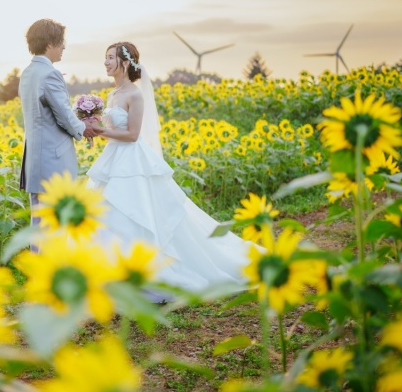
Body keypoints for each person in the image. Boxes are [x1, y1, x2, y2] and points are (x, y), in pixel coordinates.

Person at [87, 42, 254, 293]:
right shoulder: (112, 94)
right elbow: (113, 133)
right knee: (108, 213)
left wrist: (102, 131)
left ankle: (151, 272)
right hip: (113, 159)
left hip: (132, 160)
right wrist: (93, 125)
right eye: (105, 58)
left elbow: (133, 135)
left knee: (136, 213)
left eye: (110, 58)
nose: (106, 62)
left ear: (125, 62)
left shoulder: (134, 93)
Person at [19, 19, 99, 234]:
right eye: (61, 42)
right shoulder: (50, 74)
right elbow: (63, 115)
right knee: (54, 228)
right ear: (50, 44)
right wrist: (85, 128)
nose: (64, 47)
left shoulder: (27, 73)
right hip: (53, 162)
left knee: (40, 227)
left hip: (35, 161)